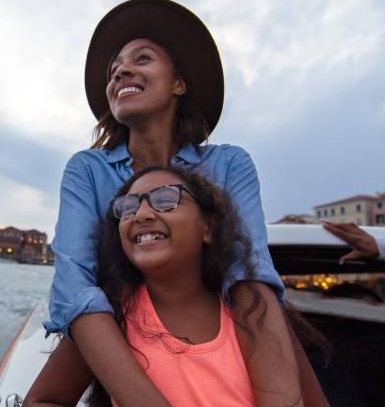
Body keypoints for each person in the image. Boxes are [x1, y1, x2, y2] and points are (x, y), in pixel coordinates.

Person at [40, 0, 324, 406]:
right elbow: (74, 286)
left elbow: (249, 272)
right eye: (115, 67)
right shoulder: (86, 169)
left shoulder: (229, 163)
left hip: (225, 328)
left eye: (142, 58)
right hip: (115, 339)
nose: (121, 70)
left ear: (179, 83)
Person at [26, 167, 327, 406]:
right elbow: (44, 400)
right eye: (128, 207)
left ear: (208, 228)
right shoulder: (111, 315)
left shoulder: (259, 316)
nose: (141, 214)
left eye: (166, 199)